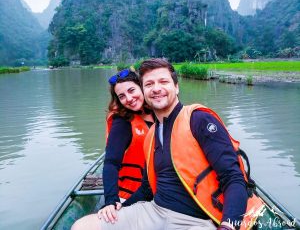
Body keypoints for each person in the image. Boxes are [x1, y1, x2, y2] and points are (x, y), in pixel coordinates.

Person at [72, 59, 264, 230]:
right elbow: (147, 188)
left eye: (163, 82)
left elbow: (233, 178)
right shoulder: (152, 134)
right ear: (145, 91)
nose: (156, 88)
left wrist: (229, 225)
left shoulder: (198, 120)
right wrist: (117, 205)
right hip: (155, 211)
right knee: (82, 226)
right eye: (149, 84)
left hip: (196, 220)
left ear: (177, 87)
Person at [101, 68, 154, 216]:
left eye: (132, 90)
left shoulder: (159, 113)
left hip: (158, 191)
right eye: (122, 96)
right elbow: (111, 163)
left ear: (141, 87)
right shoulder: (122, 122)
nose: (129, 98)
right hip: (130, 196)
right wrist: (111, 200)